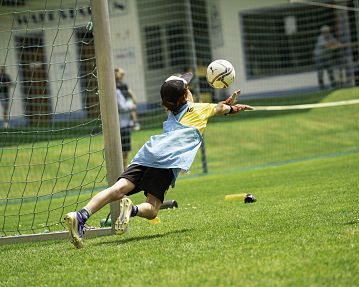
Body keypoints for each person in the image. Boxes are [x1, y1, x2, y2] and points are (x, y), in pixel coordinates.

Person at [64, 72, 253, 249]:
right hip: (167, 160)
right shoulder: (202, 108)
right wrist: (233, 107)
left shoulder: (171, 111)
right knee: (153, 209)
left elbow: (204, 104)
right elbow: (219, 108)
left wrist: (226, 105)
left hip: (148, 152)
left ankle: (80, 215)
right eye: (187, 88)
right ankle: (132, 209)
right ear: (185, 96)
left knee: (117, 189)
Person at [114, 68, 137, 169]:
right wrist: (131, 106)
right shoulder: (116, 91)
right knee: (123, 149)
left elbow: (133, 99)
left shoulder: (123, 88)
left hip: (125, 122)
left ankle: (123, 167)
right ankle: (122, 168)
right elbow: (122, 107)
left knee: (126, 149)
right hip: (121, 124)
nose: (121, 78)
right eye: (120, 75)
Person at [313, 25, 341, 90]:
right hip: (319, 57)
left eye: (327, 31)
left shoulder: (331, 36)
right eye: (325, 31)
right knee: (320, 72)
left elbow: (338, 44)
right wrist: (334, 46)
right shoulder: (320, 38)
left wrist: (335, 45)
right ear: (322, 32)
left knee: (330, 70)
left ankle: (333, 85)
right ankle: (321, 86)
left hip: (327, 57)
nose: (326, 33)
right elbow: (326, 46)